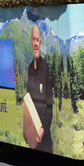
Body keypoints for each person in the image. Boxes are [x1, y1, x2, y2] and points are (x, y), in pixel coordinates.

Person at [27, 24, 53, 152]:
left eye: (38, 40)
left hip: (44, 132)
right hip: (33, 131)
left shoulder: (45, 67)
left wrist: (44, 127)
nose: (36, 43)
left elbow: (49, 100)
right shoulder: (30, 68)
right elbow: (28, 102)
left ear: (40, 43)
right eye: (33, 39)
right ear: (31, 42)